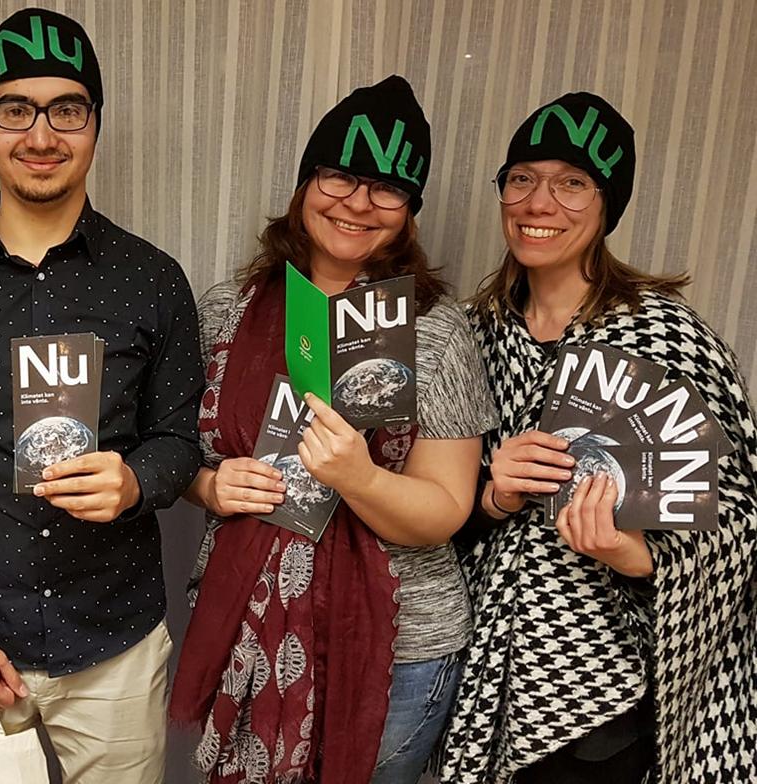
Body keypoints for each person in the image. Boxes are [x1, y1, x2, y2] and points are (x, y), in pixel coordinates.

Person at [0, 8, 203, 782]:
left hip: (114, 639)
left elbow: (177, 438)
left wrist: (135, 480)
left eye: (67, 109)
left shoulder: (152, 279)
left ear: (94, 124)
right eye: (15, 109)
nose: (41, 134)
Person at [170, 76, 498, 784]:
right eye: (339, 176)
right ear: (305, 184)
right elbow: (181, 456)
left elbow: (445, 510)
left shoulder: (436, 329)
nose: (356, 202)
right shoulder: (227, 309)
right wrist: (210, 485)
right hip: (244, 621)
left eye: (387, 188)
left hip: (396, 649)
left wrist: (359, 477)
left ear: (408, 211)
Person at [442, 91, 757, 783]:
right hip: (476, 672)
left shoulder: (666, 339)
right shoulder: (468, 334)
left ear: (606, 203)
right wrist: (493, 494)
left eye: (572, 183)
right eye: (521, 178)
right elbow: (424, 504)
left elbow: (736, 522)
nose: (538, 203)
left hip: (605, 689)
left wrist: (630, 552)